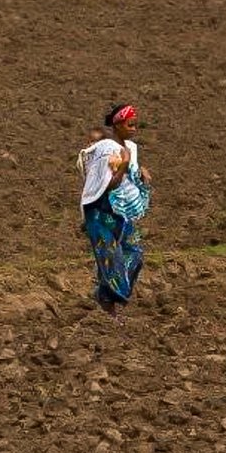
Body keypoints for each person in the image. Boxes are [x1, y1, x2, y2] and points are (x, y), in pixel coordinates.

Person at [80, 103, 150, 318]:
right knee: (111, 261)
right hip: (101, 213)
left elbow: (131, 176)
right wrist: (123, 166)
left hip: (120, 213)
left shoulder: (129, 148)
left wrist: (139, 171)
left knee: (135, 254)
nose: (134, 128)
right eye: (130, 124)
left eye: (135, 125)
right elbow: (109, 184)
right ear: (118, 124)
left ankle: (107, 295)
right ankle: (107, 308)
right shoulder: (108, 150)